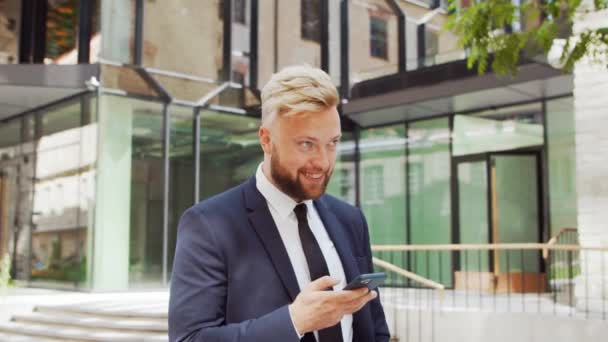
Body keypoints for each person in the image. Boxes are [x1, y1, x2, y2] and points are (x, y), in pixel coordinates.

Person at [169, 65, 390, 342]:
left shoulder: (350, 220)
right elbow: (190, 338)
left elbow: (375, 327)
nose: (322, 161)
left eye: (332, 143)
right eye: (307, 144)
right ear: (266, 140)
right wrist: (294, 321)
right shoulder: (209, 225)